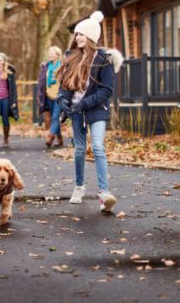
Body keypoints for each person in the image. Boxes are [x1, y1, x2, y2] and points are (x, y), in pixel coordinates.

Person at [56, 11, 122, 213]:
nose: (78, 38)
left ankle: (104, 194)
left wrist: (86, 103)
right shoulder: (71, 58)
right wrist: (63, 101)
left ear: (91, 36)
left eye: (81, 34)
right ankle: (79, 187)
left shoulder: (104, 59)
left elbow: (106, 90)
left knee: (99, 148)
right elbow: (64, 87)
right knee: (79, 150)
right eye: (76, 35)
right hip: (76, 112)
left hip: (96, 110)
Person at [37, 46, 63, 148]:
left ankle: (50, 137)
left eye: (52, 53)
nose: (50, 55)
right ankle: (60, 139)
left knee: (55, 117)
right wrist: (40, 94)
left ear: (57, 55)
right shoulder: (46, 66)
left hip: (59, 96)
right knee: (54, 118)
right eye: (49, 53)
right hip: (48, 95)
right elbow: (41, 81)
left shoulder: (62, 66)